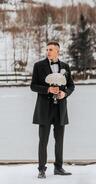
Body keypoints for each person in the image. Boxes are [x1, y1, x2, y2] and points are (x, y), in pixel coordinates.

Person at [30, 41, 75, 179]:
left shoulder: (65, 67)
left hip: (60, 109)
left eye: (51, 49)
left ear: (58, 51)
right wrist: (48, 89)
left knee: (59, 140)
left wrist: (64, 93)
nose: (48, 52)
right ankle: (41, 169)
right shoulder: (38, 66)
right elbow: (33, 86)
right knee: (43, 141)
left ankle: (58, 167)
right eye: (47, 49)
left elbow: (71, 86)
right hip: (44, 109)